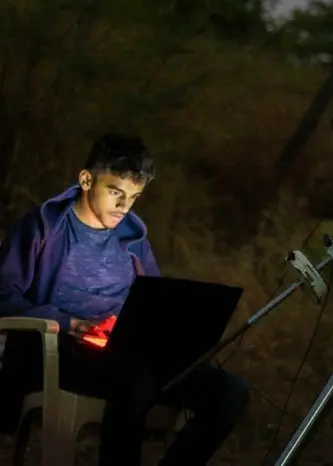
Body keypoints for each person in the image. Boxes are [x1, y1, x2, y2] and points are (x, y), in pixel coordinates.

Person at [0, 134, 250, 466]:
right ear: (87, 179)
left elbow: (156, 302)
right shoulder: (43, 228)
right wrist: (68, 323)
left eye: (134, 197)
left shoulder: (133, 239)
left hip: (127, 349)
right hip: (63, 350)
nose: (124, 207)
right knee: (134, 381)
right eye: (116, 193)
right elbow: (3, 295)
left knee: (229, 391)